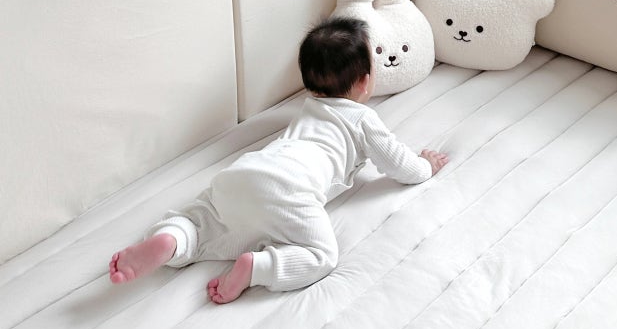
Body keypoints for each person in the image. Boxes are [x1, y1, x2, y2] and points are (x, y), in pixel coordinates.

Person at [109, 16, 448, 304]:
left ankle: (172, 240)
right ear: (364, 81)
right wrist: (425, 165)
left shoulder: (309, 107)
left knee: (201, 221)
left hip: (244, 172)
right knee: (322, 255)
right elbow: (399, 164)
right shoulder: (363, 119)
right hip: (292, 190)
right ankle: (256, 268)